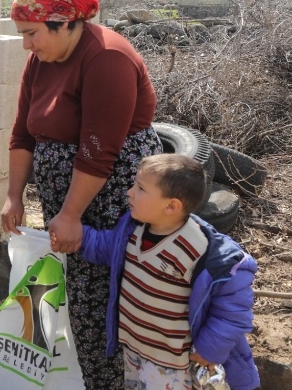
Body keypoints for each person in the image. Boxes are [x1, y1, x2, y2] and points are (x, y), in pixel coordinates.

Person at [0, 0, 162, 389]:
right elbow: (22, 132)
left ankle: (107, 381)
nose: (26, 46)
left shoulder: (106, 58)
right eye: (22, 35)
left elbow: (98, 153)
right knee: (71, 298)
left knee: (100, 302)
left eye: (31, 33)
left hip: (107, 202)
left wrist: (71, 215)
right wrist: (14, 196)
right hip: (69, 201)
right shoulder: (42, 59)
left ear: (67, 22)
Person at [62, 154, 260, 390]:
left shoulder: (201, 251)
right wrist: (77, 237)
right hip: (136, 351)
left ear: (171, 206)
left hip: (173, 363)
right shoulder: (133, 230)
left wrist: (210, 350)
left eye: (140, 188)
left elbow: (232, 312)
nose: (129, 192)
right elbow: (107, 247)